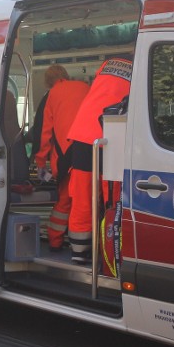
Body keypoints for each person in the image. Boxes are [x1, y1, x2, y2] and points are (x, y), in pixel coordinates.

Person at [65, 56, 132, 263]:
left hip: (82, 133)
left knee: (82, 195)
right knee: (110, 196)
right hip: (109, 134)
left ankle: (79, 252)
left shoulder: (107, 64)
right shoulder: (141, 68)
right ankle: (109, 253)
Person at [32, 65, 90, 252]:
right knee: (87, 201)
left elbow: (44, 134)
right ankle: (88, 245)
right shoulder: (85, 88)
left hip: (66, 160)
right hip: (92, 156)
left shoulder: (52, 95)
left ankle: (55, 241)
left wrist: (41, 164)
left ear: (48, 83)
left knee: (64, 202)